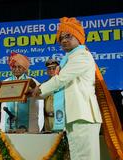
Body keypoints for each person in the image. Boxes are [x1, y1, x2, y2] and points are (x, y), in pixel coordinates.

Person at [31, 17, 102, 159]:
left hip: (83, 115)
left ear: (79, 36)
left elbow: (61, 80)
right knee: (78, 156)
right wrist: (35, 93)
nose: (63, 40)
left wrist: (38, 90)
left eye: (68, 36)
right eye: (61, 38)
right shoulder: (68, 59)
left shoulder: (82, 55)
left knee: (84, 157)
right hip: (75, 116)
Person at [0, 52, 43, 133]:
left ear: (24, 68)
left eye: (19, 67)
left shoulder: (33, 82)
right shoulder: (5, 83)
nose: (16, 69)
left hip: (30, 125)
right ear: (11, 68)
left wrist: (33, 87)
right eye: (14, 67)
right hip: (8, 125)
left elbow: (41, 95)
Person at [43, 59, 59, 132]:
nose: (51, 70)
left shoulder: (62, 83)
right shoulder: (43, 85)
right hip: (47, 119)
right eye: (49, 69)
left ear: (58, 69)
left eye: (54, 68)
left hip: (60, 118)